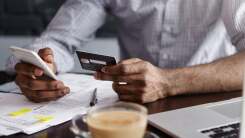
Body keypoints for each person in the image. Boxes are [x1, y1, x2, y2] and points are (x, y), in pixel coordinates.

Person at [6, 0, 245, 103]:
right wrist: (41, 64)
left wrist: (166, 82)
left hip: (208, 99)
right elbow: (58, 39)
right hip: (131, 105)